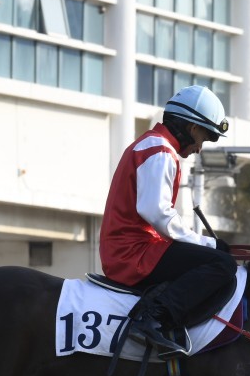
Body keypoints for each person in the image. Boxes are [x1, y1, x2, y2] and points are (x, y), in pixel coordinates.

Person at [100, 85, 237, 353]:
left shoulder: (154, 145)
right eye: (204, 138)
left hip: (133, 248)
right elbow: (157, 213)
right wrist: (207, 244)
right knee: (222, 265)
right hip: (133, 253)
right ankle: (151, 319)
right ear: (192, 128)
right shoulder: (160, 150)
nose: (199, 148)